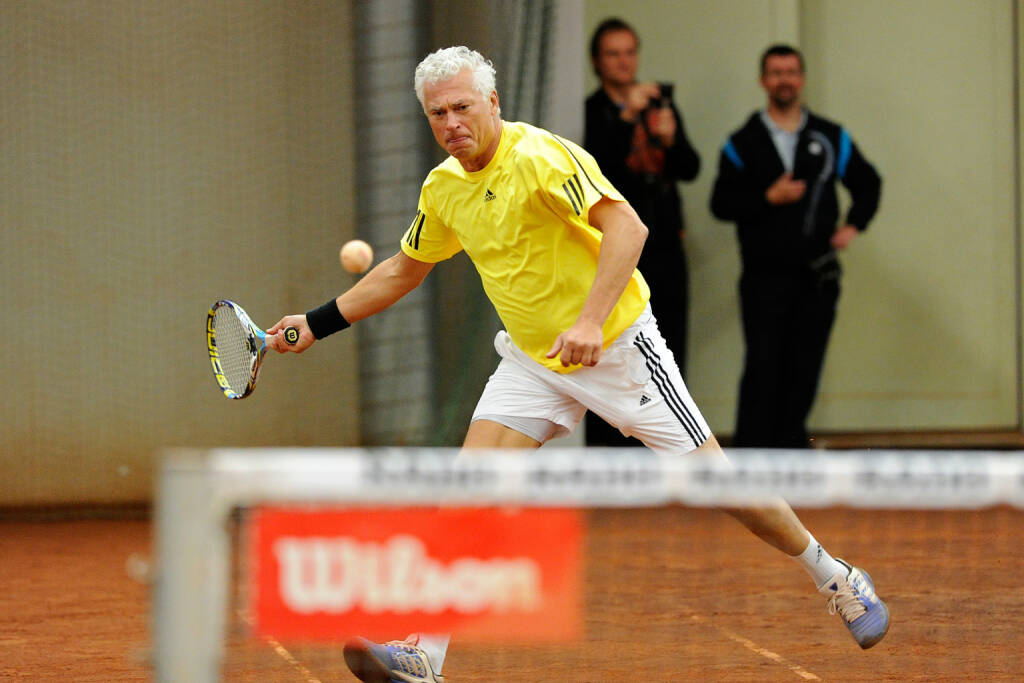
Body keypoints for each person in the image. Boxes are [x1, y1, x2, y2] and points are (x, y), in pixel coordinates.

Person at [267, 46, 889, 683]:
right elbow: (403, 269)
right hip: (533, 363)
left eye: (462, 106)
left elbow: (629, 228)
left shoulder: (540, 157)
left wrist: (591, 319)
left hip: (618, 350)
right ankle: (425, 652)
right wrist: (316, 324)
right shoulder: (445, 188)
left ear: (493, 104)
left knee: (721, 487)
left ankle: (834, 575)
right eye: (437, 113)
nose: (451, 122)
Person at [710, 44, 882, 449]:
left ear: (801, 79)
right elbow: (721, 204)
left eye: (791, 72)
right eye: (775, 72)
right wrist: (767, 198)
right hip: (763, 279)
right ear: (763, 80)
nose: (784, 79)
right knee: (763, 367)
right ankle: (752, 462)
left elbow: (868, 183)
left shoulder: (830, 136)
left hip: (817, 278)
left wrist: (852, 226)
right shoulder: (742, 143)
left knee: (804, 369)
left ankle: (792, 460)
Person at [583, 17, 700, 448]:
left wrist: (668, 139)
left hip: (665, 244)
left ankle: (672, 449)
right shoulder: (591, 111)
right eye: (613, 53)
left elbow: (690, 167)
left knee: (669, 345)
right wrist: (627, 115)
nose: (624, 62)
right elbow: (596, 168)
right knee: (612, 349)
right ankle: (610, 455)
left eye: (630, 52)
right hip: (612, 248)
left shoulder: (660, 106)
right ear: (597, 61)